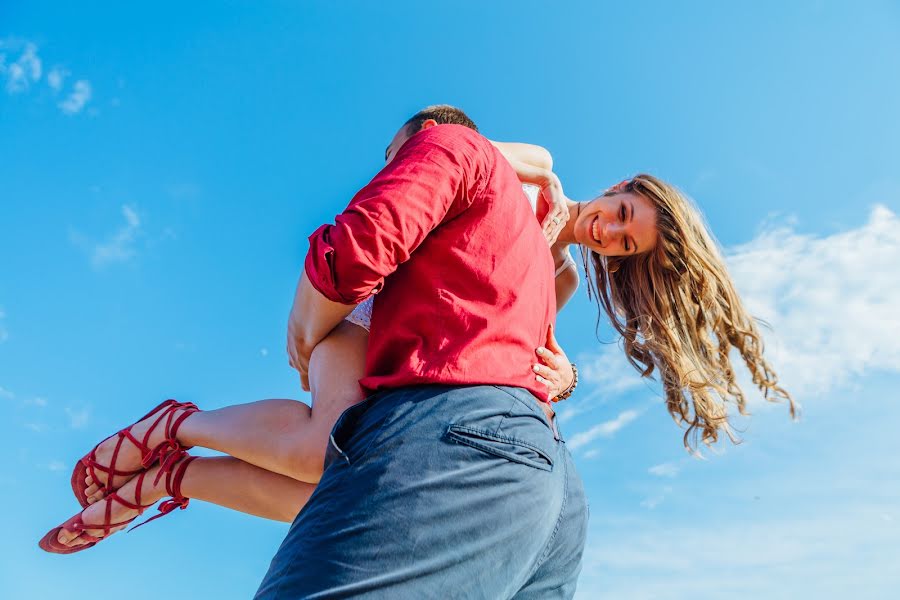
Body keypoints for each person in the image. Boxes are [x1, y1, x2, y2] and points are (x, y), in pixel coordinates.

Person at [41, 106, 794, 596]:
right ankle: (178, 428)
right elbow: (449, 155)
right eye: (622, 213)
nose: (610, 232)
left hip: (435, 368)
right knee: (315, 454)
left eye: (624, 243)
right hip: (372, 311)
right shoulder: (535, 179)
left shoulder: (560, 272)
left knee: (329, 496)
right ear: (621, 186)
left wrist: (562, 379)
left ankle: (179, 478)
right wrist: (317, 310)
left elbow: (509, 343)